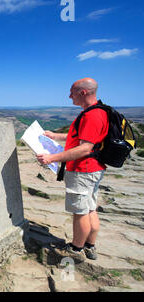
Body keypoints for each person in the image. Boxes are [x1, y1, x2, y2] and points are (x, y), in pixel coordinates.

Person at [37, 78, 109, 262]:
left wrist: (51, 158)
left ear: (83, 92)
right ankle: (90, 246)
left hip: (83, 170)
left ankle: (76, 249)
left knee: (80, 212)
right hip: (92, 169)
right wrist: (55, 136)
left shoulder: (91, 115)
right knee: (90, 208)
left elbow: (85, 148)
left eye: (72, 92)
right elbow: (79, 137)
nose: (69, 96)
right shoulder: (98, 111)